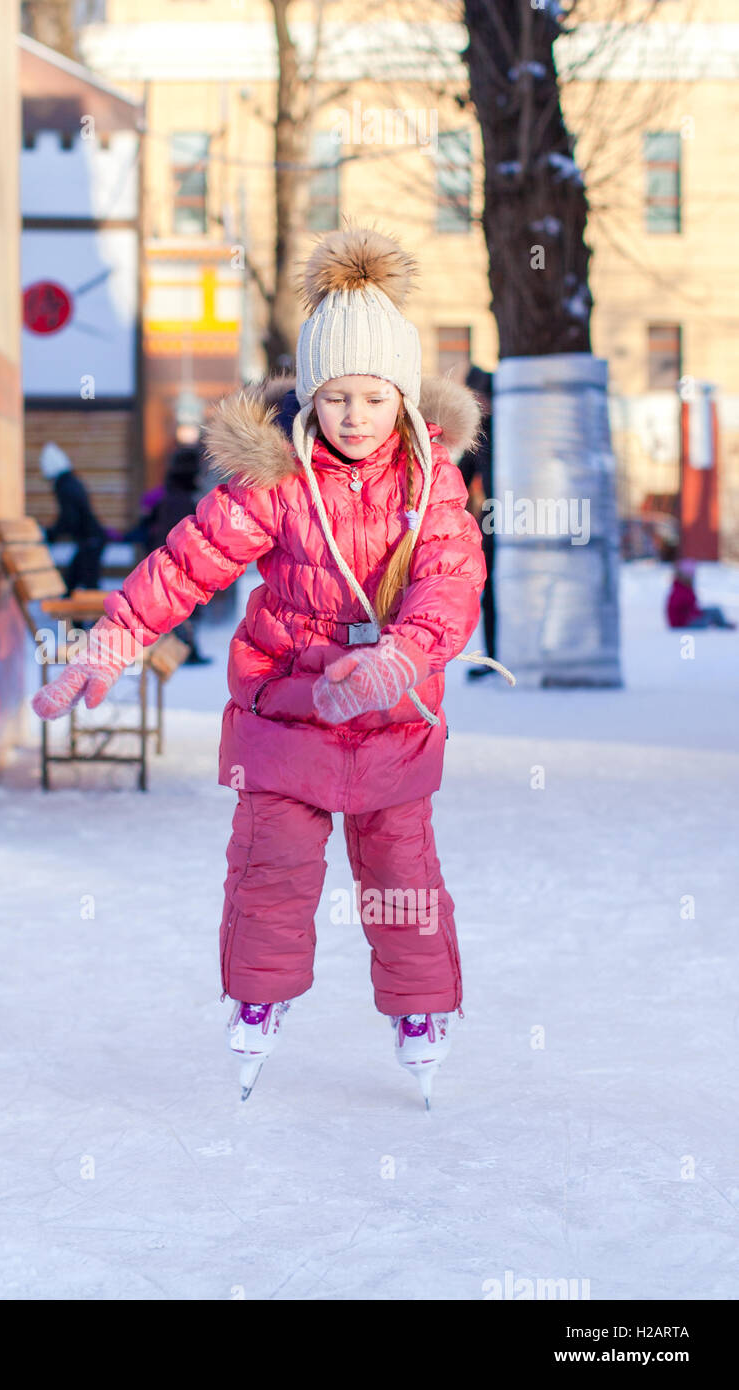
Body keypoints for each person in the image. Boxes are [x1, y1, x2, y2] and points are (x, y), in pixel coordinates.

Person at [31, 225, 511, 1109]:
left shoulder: (432, 485)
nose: (354, 417)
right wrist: (111, 640)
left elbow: (452, 582)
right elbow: (188, 562)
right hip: (286, 716)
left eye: (371, 397)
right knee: (271, 867)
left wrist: (401, 657)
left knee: (402, 877)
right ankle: (257, 999)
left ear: (402, 399)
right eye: (335, 398)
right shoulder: (279, 481)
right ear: (310, 401)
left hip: (393, 723)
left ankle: (420, 1013)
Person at [122, 442, 213, 664]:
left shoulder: (169, 495)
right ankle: (186, 650)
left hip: (165, 557)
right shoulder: (182, 500)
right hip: (175, 561)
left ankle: (186, 649)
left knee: (180, 605)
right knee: (184, 605)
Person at [457, 365, 498, 679]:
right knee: (493, 587)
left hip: (518, 515)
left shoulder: (506, 428)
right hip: (494, 517)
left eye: (479, 397)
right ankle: (496, 655)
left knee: (500, 587)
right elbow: (462, 474)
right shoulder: (482, 430)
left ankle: (504, 653)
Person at [39, 441, 107, 594]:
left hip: (90, 541)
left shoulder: (64, 486)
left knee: (75, 587)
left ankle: (72, 618)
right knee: (80, 586)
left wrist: (51, 534)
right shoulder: (72, 481)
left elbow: (69, 518)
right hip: (92, 540)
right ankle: (75, 618)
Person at [666, 556, 735, 629]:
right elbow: (684, 611)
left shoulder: (685, 588)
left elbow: (693, 608)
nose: (692, 578)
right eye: (689, 576)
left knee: (715, 610)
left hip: (689, 619)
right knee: (707, 619)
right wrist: (698, 616)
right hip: (683, 624)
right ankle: (719, 625)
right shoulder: (679, 591)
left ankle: (723, 625)